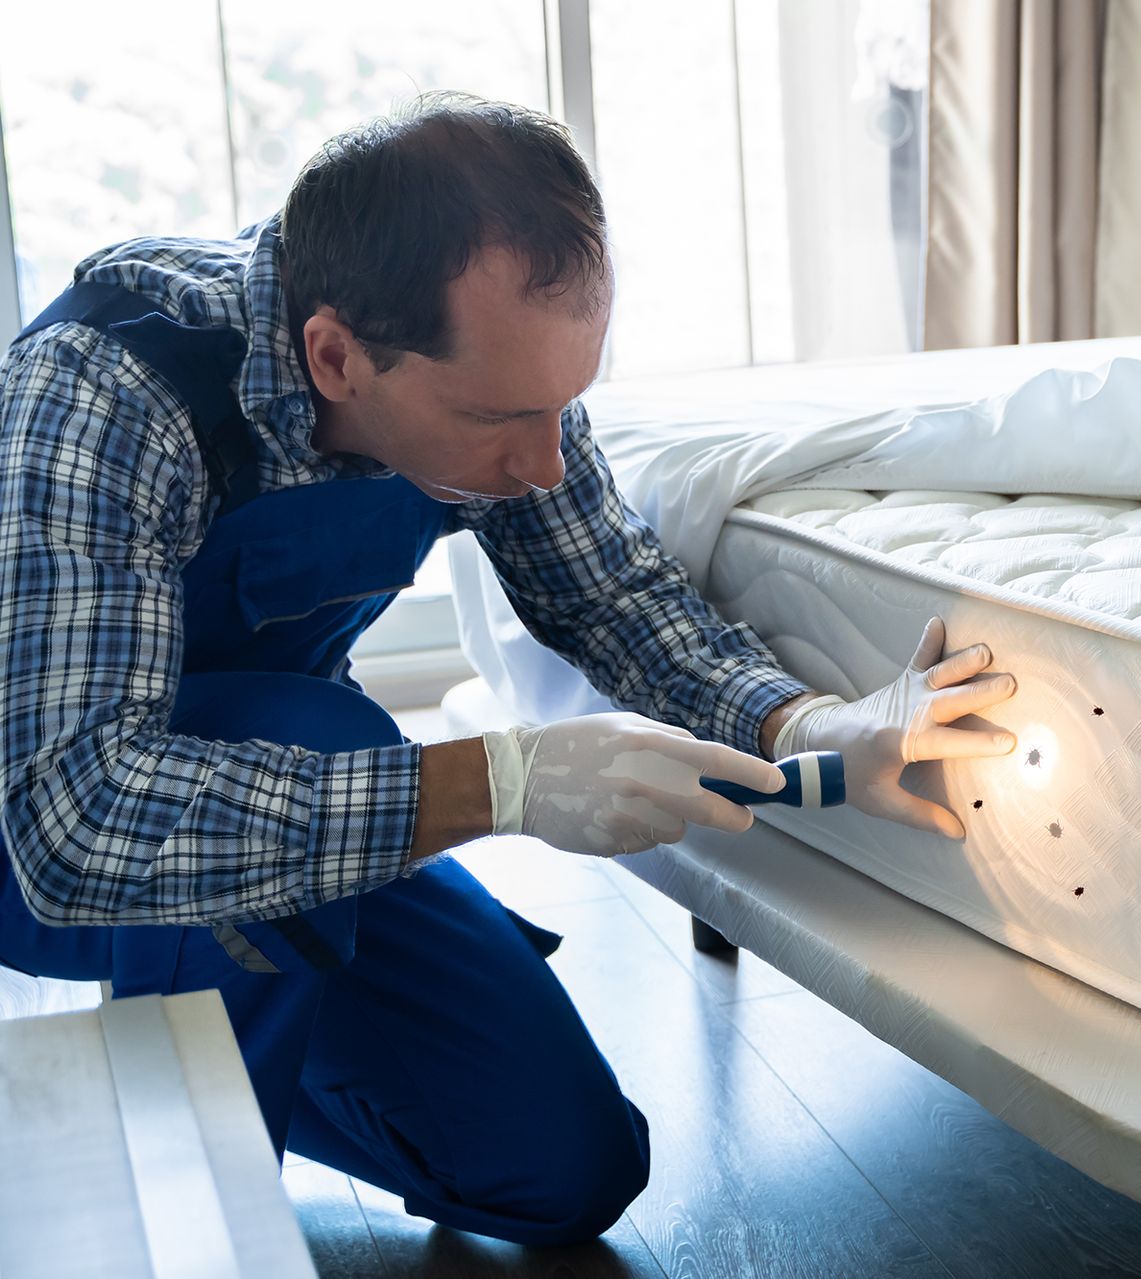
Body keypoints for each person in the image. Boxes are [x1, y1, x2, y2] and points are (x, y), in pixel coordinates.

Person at [0, 93, 1017, 1245]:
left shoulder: (488, 382)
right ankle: (168, 1208)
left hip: (280, 818)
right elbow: (68, 826)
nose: (544, 463)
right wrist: (504, 783)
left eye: (564, 407)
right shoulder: (108, 391)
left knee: (564, 1170)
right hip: (42, 833)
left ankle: (212, 1064)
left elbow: (610, 597)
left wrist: (806, 723)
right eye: (500, 418)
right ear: (335, 355)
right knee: (321, 732)